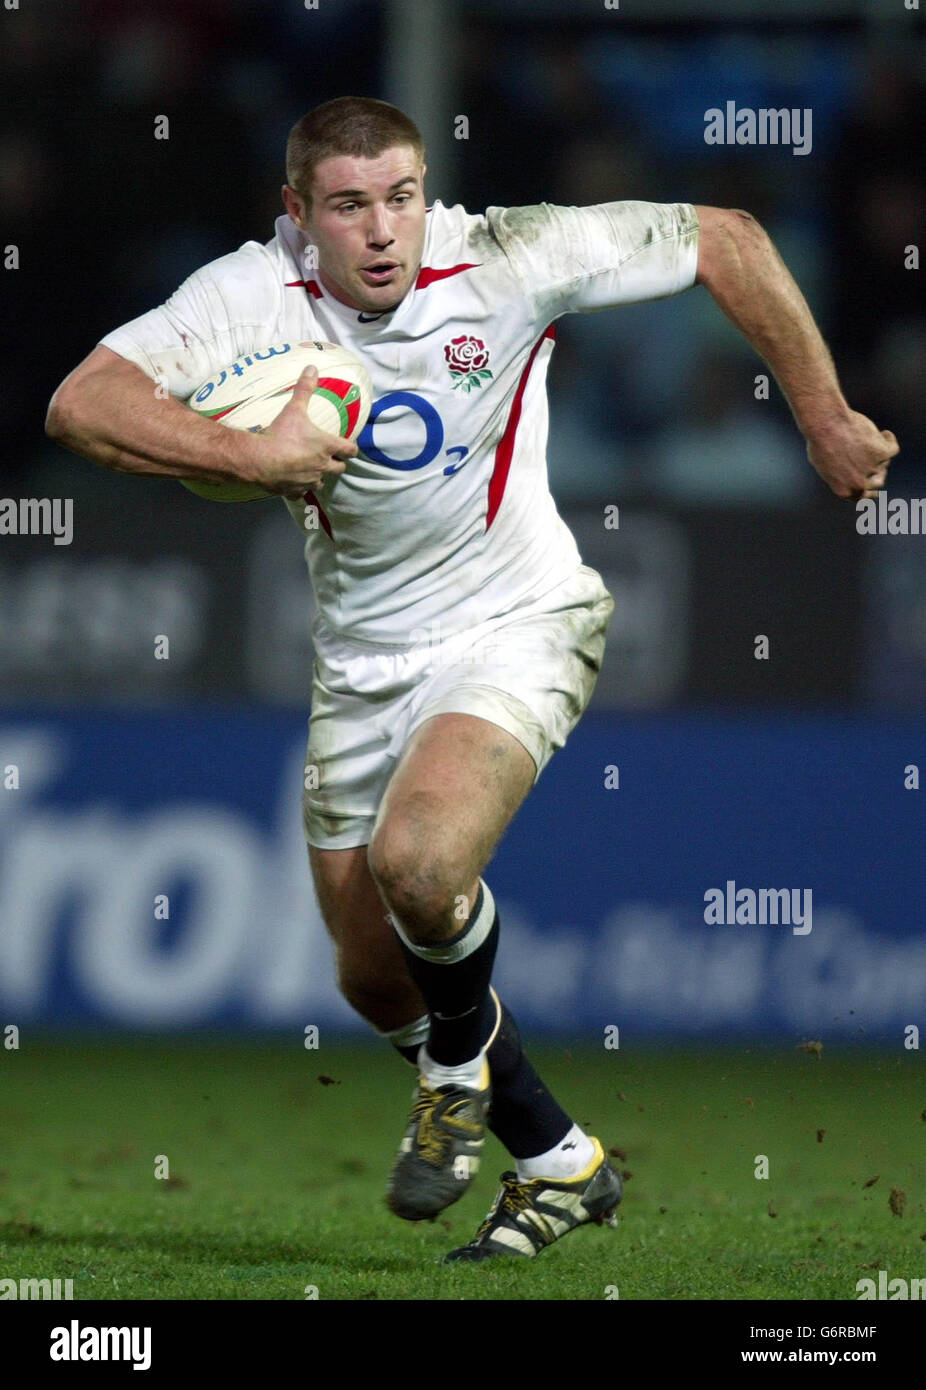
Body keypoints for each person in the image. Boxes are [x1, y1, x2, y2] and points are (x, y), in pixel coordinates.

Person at [46, 96, 898, 1263]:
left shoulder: (503, 255)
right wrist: (253, 453)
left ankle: (454, 1075)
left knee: (419, 865)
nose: (383, 229)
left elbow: (728, 239)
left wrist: (824, 417)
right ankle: (558, 1162)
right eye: (348, 206)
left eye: (400, 195)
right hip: (359, 663)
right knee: (370, 973)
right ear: (297, 215)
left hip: (517, 620)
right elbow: (80, 403)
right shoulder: (244, 295)